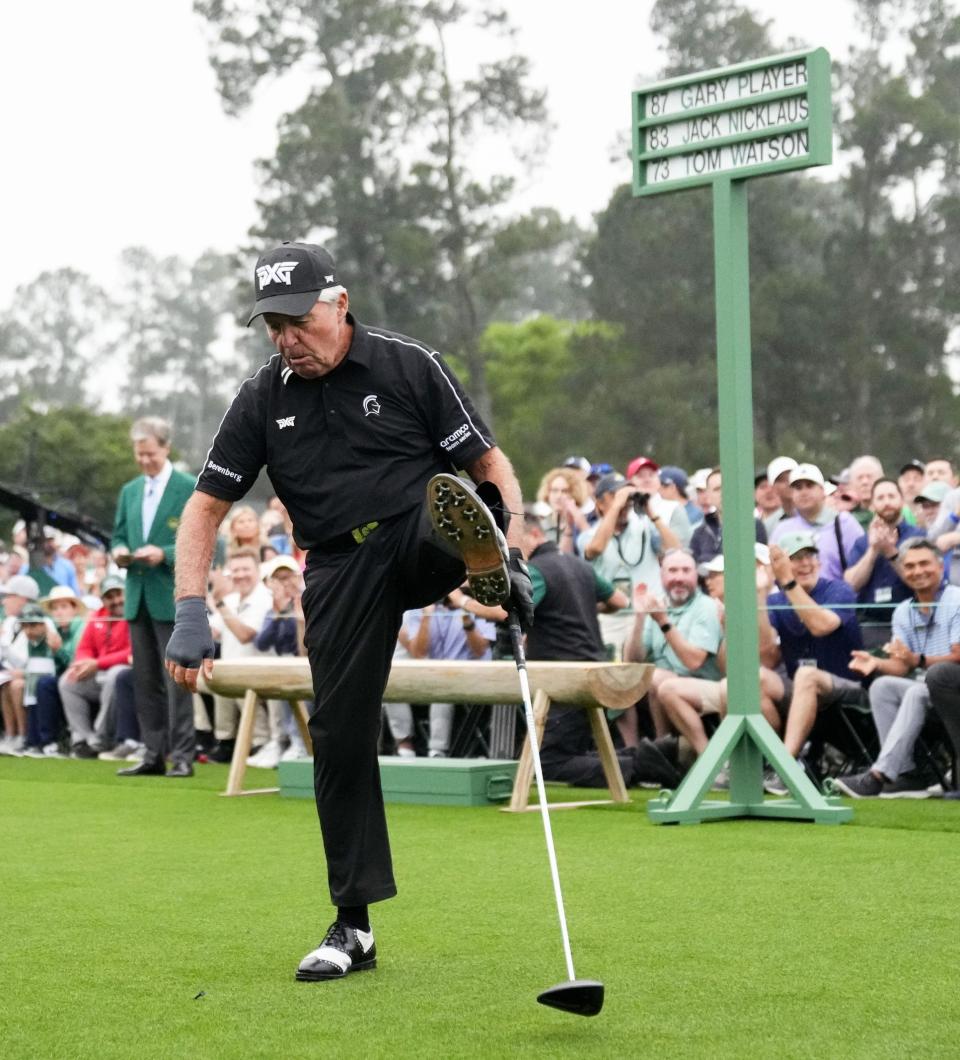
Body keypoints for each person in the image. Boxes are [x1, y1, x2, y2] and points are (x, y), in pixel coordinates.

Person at [163, 241, 532, 982]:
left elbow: (490, 464)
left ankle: (485, 560)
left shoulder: (406, 364)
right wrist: (190, 610)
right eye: (273, 325)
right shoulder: (262, 397)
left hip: (416, 535)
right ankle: (353, 926)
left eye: (298, 319)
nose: (286, 338)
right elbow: (205, 510)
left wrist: (513, 546)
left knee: (450, 501)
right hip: (335, 567)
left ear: (338, 303)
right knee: (337, 733)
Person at [518, 509, 679, 789]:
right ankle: (644, 754)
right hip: (593, 672)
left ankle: (641, 764)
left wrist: (462, 600)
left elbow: (504, 612)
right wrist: (579, 604)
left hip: (564, 681)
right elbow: (618, 600)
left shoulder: (536, 571)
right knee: (574, 753)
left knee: (546, 763)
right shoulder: (579, 565)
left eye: (512, 539)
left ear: (533, 534)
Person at [836, 539, 960, 798]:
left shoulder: (956, 599)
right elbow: (902, 665)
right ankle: (906, 772)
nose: (918, 571)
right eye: (910, 566)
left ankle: (879, 775)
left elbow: (957, 656)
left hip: (951, 686)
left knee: (918, 691)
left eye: (924, 563)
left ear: (940, 565)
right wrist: (877, 663)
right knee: (882, 686)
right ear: (903, 572)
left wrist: (918, 660)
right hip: (923, 683)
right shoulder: (903, 611)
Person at [112, 416, 197, 778]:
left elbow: (201, 539)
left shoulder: (188, 486)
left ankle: (182, 756)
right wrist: (118, 550)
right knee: (145, 680)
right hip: (137, 596)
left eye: (151, 453)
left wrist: (164, 552)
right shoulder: (130, 491)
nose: (145, 460)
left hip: (171, 594)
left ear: (166, 448)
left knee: (176, 680)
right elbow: (116, 534)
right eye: (139, 454)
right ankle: (152, 753)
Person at [758, 534, 865, 793]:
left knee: (807, 674)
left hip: (848, 684)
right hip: (801, 690)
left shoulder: (838, 589)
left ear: (818, 561)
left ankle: (785, 767)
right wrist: (760, 595)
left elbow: (821, 625)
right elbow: (765, 653)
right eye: (795, 558)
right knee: (756, 676)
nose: (805, 563)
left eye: (809, 556)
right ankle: (766, 761)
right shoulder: (775, 600)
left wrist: (788, 581)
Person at [623, 547, 724, 740]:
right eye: (672, 571)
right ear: (661, 575)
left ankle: (665, 747)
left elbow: (693, 661)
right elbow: (633, 661)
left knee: (658, 679)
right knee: (621, 679)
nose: (679, 578)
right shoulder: (659, 604)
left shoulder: (706, 607)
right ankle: (633, 754)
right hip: (661, 689)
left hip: (702, 685)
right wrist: (639, 619)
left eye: (686, 571)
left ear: (696, 576)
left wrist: (663, 622)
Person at [578, 471, 680, 661]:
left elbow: (676, 551)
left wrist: (652, 514)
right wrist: (617, 506)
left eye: (626, 496)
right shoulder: (588, 536)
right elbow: (596, 549)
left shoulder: (645, 528)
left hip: (648, 615)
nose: (625, 502)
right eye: (615, 495)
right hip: (610, 617)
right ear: (599, 503)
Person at [385, 595, 496, 757]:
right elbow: (418, 653)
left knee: (443, 685)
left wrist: (466, 618)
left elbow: (480, 650)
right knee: (391, 682)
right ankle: (404, 744)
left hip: (470, 676)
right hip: (434, 675)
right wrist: (426, 618)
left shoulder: (476, 604)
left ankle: (437, 751)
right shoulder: (418, 608)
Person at [206, 547, 275, 765]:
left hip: (263, 670)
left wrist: (219, 604)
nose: (240, 575)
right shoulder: (232, 599)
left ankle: (260, 740)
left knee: (233, 680)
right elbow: (213, 633)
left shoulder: (265, 598)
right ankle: (221, 739)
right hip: (234, 669)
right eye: (235, 570)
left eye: (245, 569)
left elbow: (245, 635)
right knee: (200, 676)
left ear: (257, 570)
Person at [843, 478, 925, 648]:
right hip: (871, 624)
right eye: (880, 498)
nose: (886, 502)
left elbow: (922, 582)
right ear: (872, 504)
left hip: (914, 621)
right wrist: (873, 550)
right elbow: (850, 585)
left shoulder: (919, 536)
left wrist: (890, 552)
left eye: (891, 496)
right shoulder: (862, 542)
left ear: (901, 500)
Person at [58, 575, 132, 758]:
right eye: (110, 597)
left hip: (126, 672)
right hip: (99, 672)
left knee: (116, 675)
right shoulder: (97, 617)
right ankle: (84, 739)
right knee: (67, 681)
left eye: (118, 594)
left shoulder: (134, 614)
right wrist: (83, 663)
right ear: (103, 600)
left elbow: (132, 652)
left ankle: (102, 738)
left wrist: (97, 663)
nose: (116, 600)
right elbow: (84, 648)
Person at [770, 463, 864, 582]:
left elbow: (860, 564)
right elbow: (773, 572)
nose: (804, 492)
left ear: (822, 490)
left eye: (809, 486)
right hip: (794, 598)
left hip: (836, 597)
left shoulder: (844, 523)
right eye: (798, 488)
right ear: (792, 494)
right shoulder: (782, 529)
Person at [689, 467, 767, 568]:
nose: (723, 493)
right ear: (708, 495)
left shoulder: (754, 526)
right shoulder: (699, 533)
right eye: (717, 489)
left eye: (727, 487)